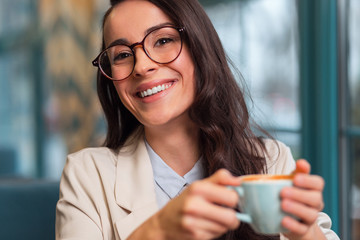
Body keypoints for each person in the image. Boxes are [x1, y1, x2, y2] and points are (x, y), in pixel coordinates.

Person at [55, 0, 340, 239]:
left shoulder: (270, 161)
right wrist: (160, 229)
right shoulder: (87, 175)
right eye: (121, 55)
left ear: (199, 49)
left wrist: (304, 232)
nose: (141, 66)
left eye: (163, 40)